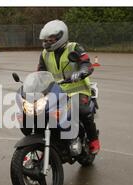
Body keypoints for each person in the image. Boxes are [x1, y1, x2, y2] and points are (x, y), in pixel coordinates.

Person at [37, 20, 100, 154]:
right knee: (40, 111)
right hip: (56, 91)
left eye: (51, 39)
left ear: (61, 37)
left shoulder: (74, 48)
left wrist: (81, 72)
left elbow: (87, 64)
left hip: (78, 89)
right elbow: (40, 73)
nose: (47, 42)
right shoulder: (45, 53)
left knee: (82, 111)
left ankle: (94, 140)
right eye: (46, 40)